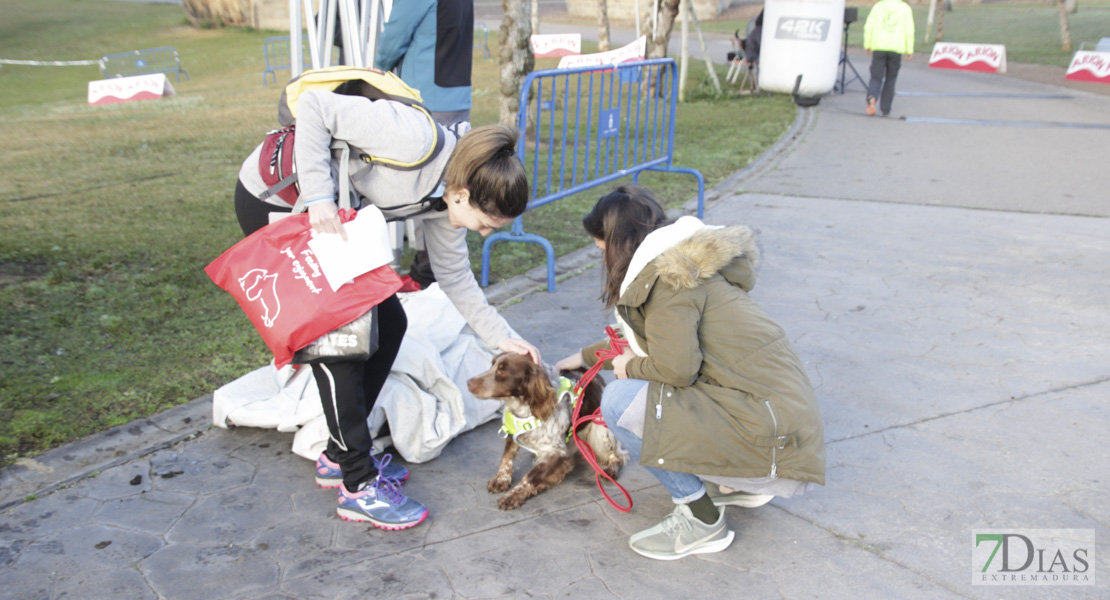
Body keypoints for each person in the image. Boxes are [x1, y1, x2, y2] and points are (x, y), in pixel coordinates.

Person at [233, 90, 541, 530]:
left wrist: (502, 338)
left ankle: (340, 456)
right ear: (464, 194)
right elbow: (317, 108)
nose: (483, 232)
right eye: (486, 224)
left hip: (327, 221)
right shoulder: (413, 139)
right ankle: (357, 484)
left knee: (390, 322)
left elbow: (455, 278)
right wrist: (320, 196)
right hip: (279, 200)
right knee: (342, 339)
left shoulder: (447, 202)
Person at [555, 186, 825, 560]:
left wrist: (627, 367)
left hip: (770, 446)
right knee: (645, 385)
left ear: (619, 244)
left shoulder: (668, 285)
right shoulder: (685, 271)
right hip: (779, 432)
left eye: (602, 249)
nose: (601, 258)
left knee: (621, 400)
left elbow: (675, 368)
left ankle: (701, 520)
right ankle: (735, 484)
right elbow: (651, 344)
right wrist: (584, 356)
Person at [374, 0, 476, 288]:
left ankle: (427, 271)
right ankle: (442, 266)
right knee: (450, 184)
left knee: (425, 184)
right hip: (454, 94)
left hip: (425, 98)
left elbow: (395, 35)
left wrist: (376, 72)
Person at [863, 0, 915, 116]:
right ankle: (886, 108)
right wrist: (909, 49)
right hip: (896, 48)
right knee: (891, 78)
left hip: (879, 47)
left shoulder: (878, 7)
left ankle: (871, 98)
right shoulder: (905, 8)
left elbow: (868, 26)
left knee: (876, 76)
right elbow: (909, 31)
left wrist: (868, 44)